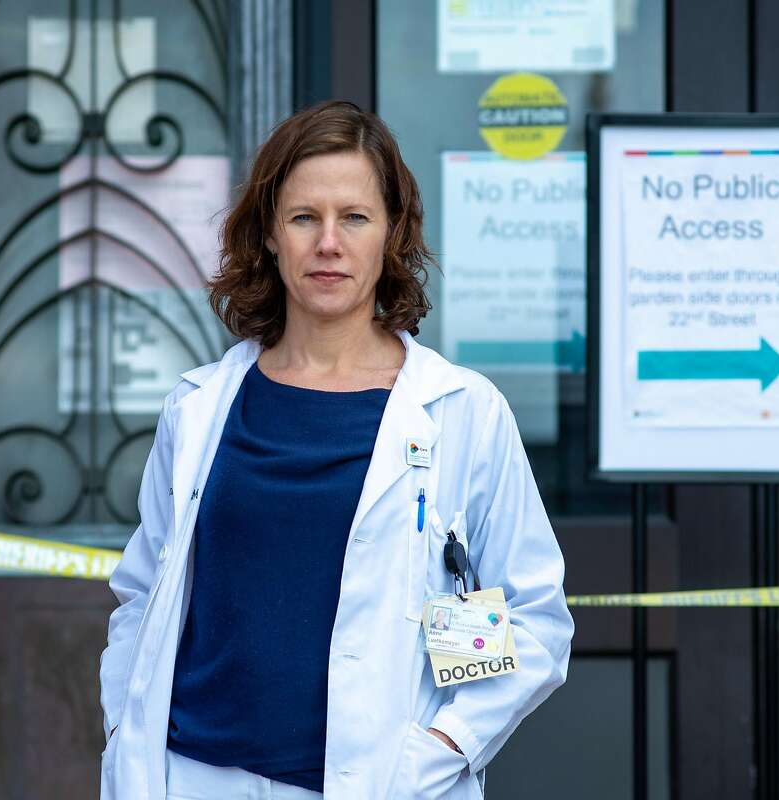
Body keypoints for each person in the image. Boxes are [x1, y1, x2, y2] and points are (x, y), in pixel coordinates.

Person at [98, 100, 574, 799]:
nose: (329, 243)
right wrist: (121, 727)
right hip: (189, 774)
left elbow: (531, 616)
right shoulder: (198, 408)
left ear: (392, 234)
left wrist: (443, 745)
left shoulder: (462, 413)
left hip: (378, 780)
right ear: (267, 235)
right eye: (303, 218)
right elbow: (142, 593)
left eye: (354, 217)